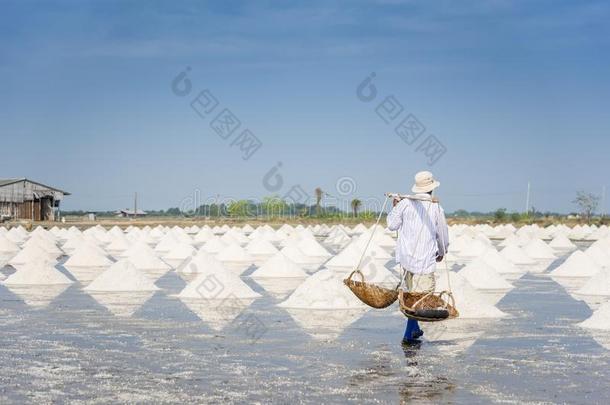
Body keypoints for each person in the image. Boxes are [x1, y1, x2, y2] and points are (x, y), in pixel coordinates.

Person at [387, 171, 449, 344]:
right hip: (424, 261)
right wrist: (443, 251)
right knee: (420, 299)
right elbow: (442, 233)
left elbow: (391, 225)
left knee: (412, 296)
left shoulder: (405, 204)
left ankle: (414, 330)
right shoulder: (436, 207)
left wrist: (395, 207)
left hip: (407, 260)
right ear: (431, 189)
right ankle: (408, 334)